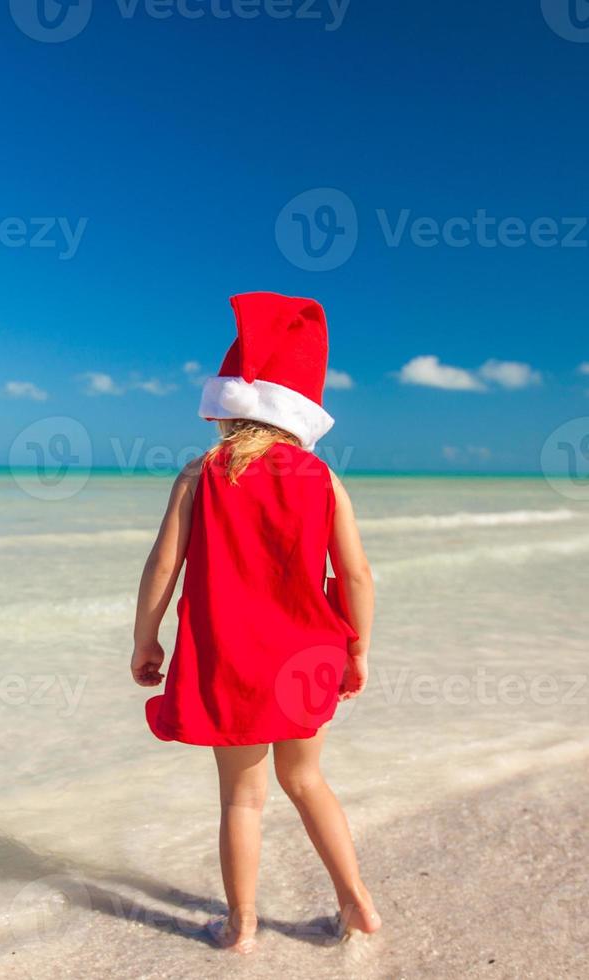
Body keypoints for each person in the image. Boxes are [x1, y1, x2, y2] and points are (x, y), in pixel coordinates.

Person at [130, 292, 381, 953]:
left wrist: (145, 639)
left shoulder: (202, 471)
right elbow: (356, 577)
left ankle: (240, 927)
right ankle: (356, 901)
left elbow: (161, 567)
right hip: (309, 656)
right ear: (299, 413)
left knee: (243, 797)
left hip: (231, 664)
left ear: (230, 406)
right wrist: (358, 650)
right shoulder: (323, 478)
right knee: (306, 779)